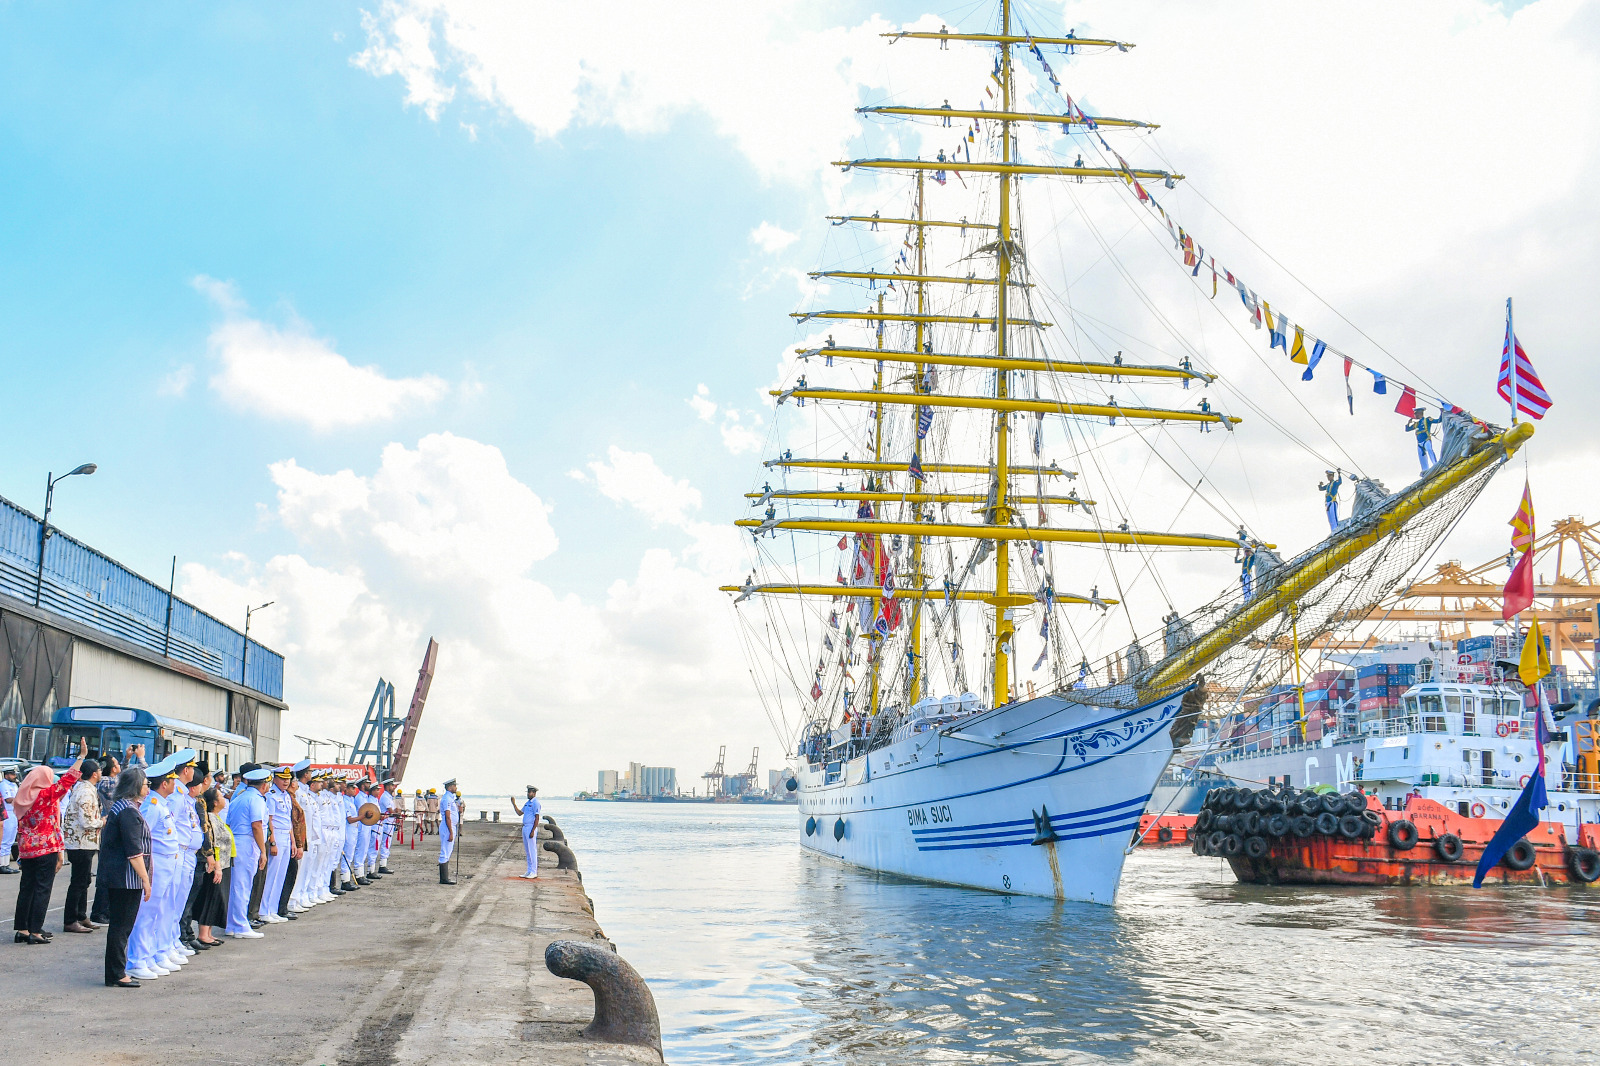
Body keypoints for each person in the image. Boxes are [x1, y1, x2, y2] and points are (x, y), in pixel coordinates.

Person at [12, 739, 87, 943]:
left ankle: (23, 929)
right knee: (42, 889)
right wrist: (81, 757)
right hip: (46, 849)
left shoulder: (22, 798)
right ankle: (36, 931)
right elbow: (67, 781)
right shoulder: (45, 796)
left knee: (26, 888)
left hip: (26, 850)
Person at [126, 754, 182, 979]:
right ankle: (137, 960)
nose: (175, 783)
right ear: (164, 784)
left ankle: (150, 956)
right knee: (146, 914)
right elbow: (140, 838)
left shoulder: (162, 804)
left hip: (167, 862)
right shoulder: (153, 806)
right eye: (172, 780)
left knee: (159, 912)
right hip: (156, 863)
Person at [98, 767, 153, 988]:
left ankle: (116, 971)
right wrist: (145, 880)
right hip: (125, 878)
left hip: (121, 876)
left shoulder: (123, 807)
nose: (148, 788)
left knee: (121, 926)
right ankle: (117, 973)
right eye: (146, 784)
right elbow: (134, 851)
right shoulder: (128, 811)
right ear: (136, 786)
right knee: (121, 927)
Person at [223, 766, 271, 939]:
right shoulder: (256, 799)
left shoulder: (239, 798)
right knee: (243, 885)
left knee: (237, 885)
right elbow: (257, 825)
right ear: (263, 785)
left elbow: (228, 823)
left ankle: (232, 924)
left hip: (237, 840)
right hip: (247, 841)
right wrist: (263, 851)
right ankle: (241, 925)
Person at [62, 757, 105, 933]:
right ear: (94, 774)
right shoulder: (85, 791)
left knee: (84, 880)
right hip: (80, 842)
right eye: (99, 770)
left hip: (84, 842)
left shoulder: (85, 788)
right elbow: (86, 820)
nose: (101, 773)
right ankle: (70, 919)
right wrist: (102, 822)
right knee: (78, 882)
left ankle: (81, 915)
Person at [192, 787, 228, 947]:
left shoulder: (217, 817)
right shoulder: (211, 818)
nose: (224, 798)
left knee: (216, 898)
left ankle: (208, 933)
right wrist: (217, 866)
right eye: (220, 796)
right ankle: (203, 934)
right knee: (210, 898)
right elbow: (214, 843)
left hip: (222, 864)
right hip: (214, 865)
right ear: (214, 802)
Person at [511, 786, 541, 879]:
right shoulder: (527, 803)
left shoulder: (536, 803)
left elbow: (537, 818)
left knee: (532, 850)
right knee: (527, 850)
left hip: (531, 827)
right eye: (528, 792)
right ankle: (529, 870)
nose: (528, 794)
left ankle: (534, 871)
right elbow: (520, 813)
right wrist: (514, 804)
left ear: (534, 793)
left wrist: (533, 831)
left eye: (530, 792)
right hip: (525, 827)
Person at [438, 778, 459, 885]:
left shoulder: (451, 798)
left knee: (448, 850)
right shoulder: (447, 798)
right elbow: (447, 816)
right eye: (454, 786)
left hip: (450, 826)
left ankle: (445, 877)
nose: (456, 788)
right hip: (447, 826)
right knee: (445, 851)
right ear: (450, 787)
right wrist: (451, 832)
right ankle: (444, 878)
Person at [0, 765, 19, 874]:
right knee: (5, 840)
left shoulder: (14, 785)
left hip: (13, 813)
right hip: (6, 813)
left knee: (10, 841)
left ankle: (6, 864)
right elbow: (7, 799)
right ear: (6, 775)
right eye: (12, 774)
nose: (14, 776)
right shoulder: (4, 785)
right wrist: (20, 798)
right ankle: (1, 864)